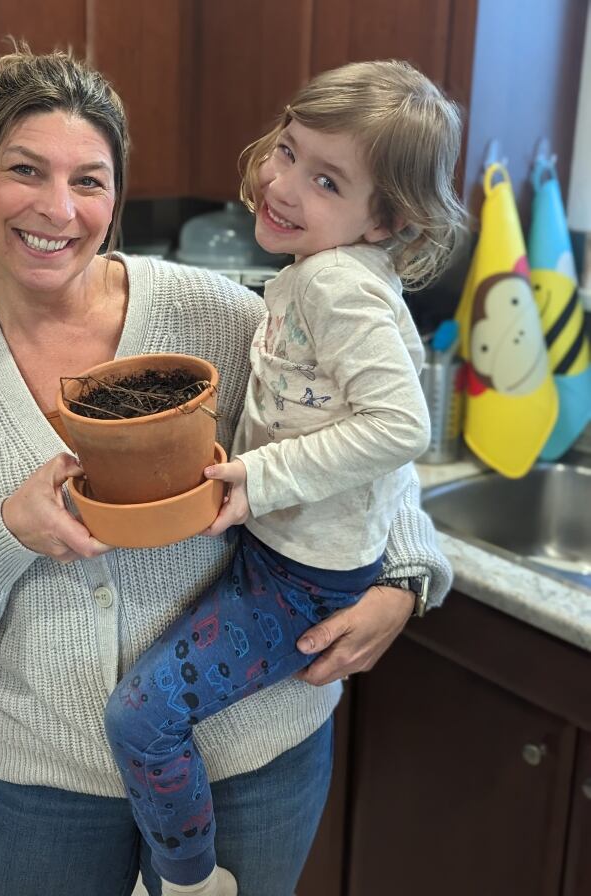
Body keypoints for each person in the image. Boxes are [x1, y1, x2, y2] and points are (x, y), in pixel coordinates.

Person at [0, 47, 452, 896]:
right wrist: (6, 534)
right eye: (25, 170)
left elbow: (360, 449)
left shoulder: (224, 314)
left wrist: (406, 577)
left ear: (116, 195)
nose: (57, 209)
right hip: (48, 785)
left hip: (253, 755)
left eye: (89, 181)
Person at [103, 58, 465, 896]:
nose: (282, 182)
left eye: (326, 179)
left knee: (142, 719)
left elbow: (401, 427)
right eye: (290, 150)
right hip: (287, 561)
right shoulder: (314, 272)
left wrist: (259, 475)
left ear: (385, 222)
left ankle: (190, 883)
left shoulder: (337, 284)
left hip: (301, 584)